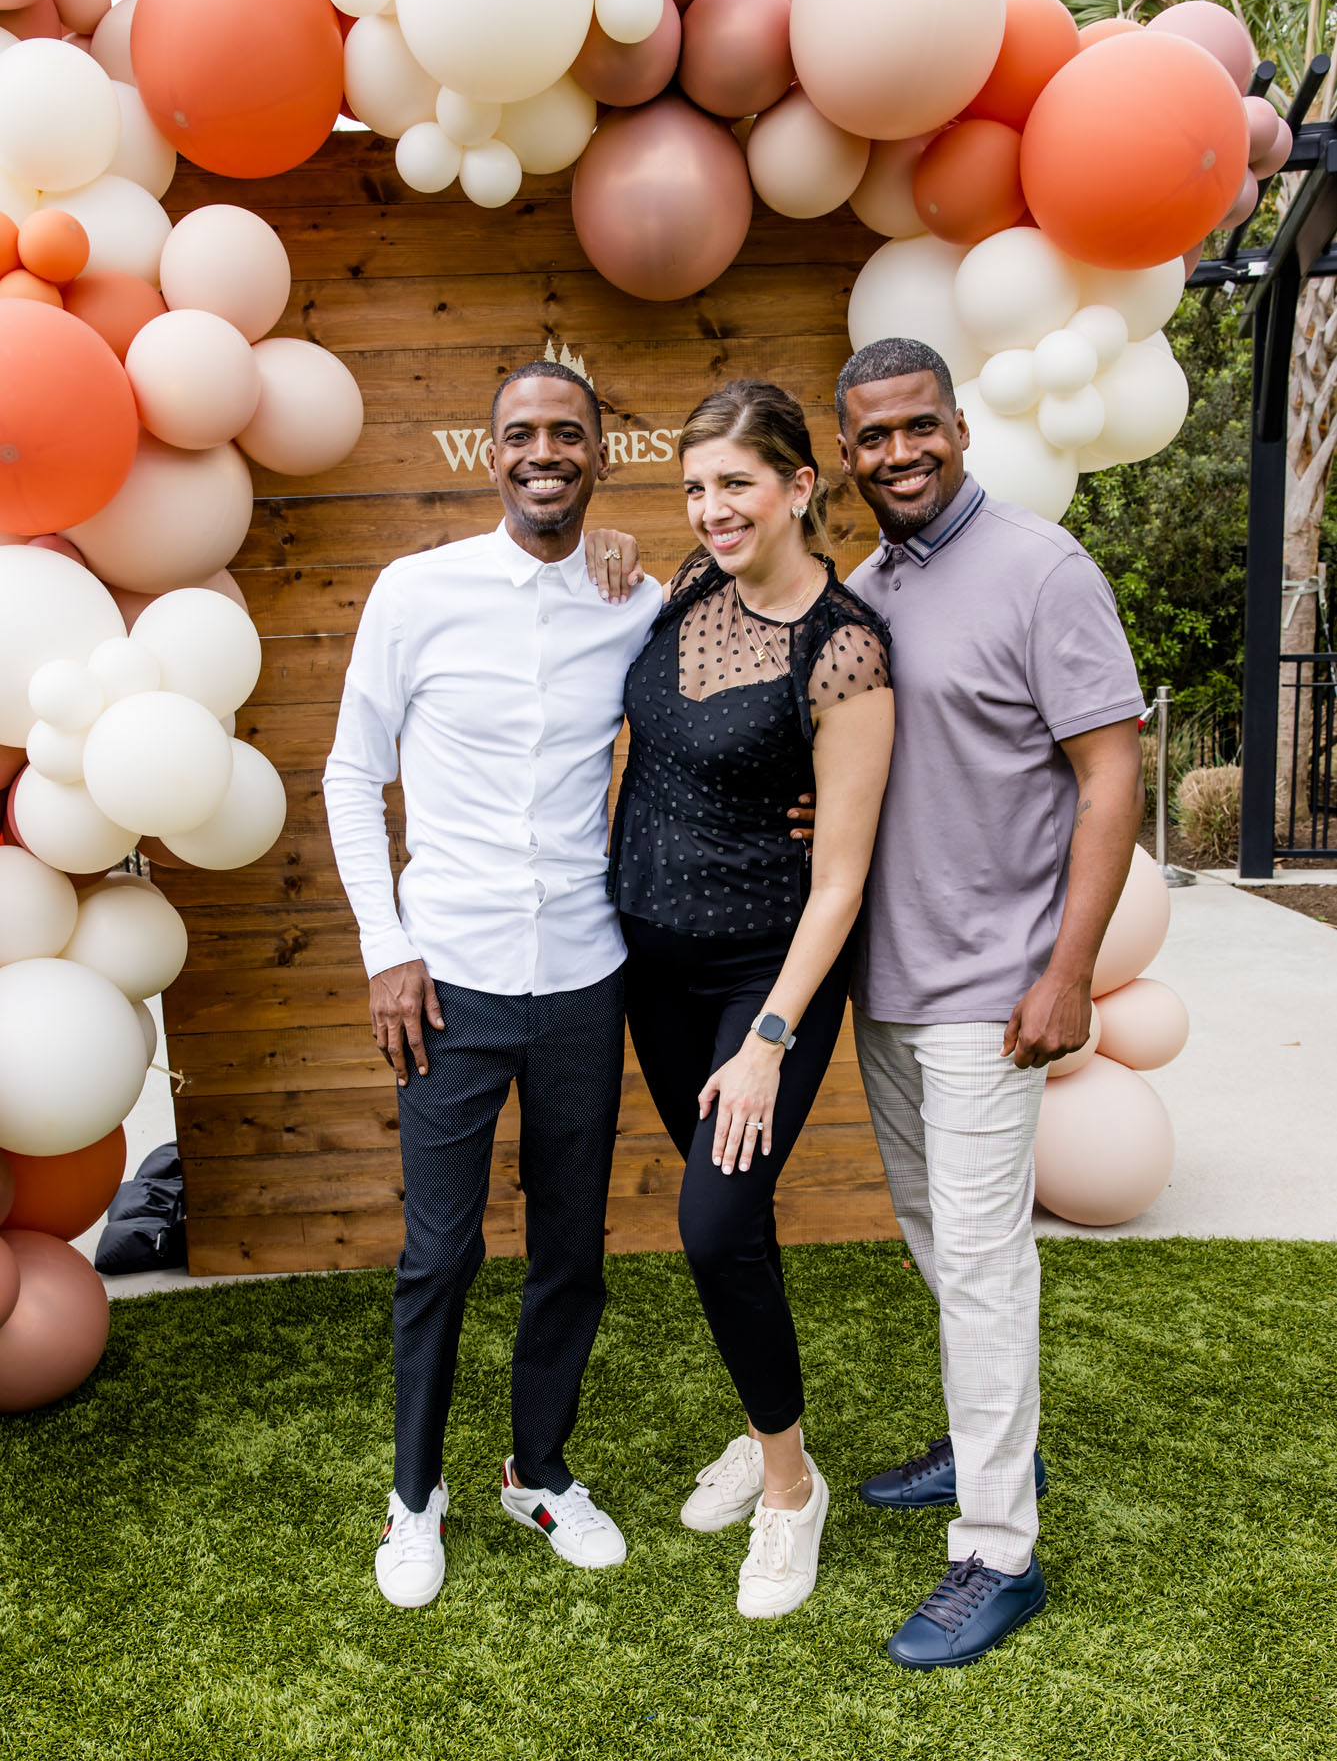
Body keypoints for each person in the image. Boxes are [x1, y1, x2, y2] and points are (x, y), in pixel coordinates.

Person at [323, 361, 660, 1608]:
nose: (542, 452)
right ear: (490, 453)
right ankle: (415, 1498)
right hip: (447, 981)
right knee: (438, 1254)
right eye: (520, 433)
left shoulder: (638, 602)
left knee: (570, 1248)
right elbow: (349, 774)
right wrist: (384, 947)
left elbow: (739, 681)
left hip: (583, 977)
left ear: (598, 456)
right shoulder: (416, 592)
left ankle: (538, 1472)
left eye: (567, 433)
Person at [836, 338, 1146, 1669]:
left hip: (994, 992)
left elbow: (1110, 772)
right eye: (873, 436)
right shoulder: (862, 592)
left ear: (958, 427)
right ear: (845, 454)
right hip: (886, 985)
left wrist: (1067, 970)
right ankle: (985, 1443)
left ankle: (998, 1555)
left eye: (919, 425)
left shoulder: (1039, 568)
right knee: (934, 1237)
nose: (898, 452)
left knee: (978, 1263)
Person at [608, 380, 895, 1620]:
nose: (711, 508)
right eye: (693, 487)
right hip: (654, 971)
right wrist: (612, 548)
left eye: (734, 483)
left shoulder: (843, 649)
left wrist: (770, 1039)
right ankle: (761, 1427)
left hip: (760, 980)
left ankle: (789, 1489)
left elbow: (841, 878)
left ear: (797, 486)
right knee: (735, 1222)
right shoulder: (685, 586)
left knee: (715, 1224)